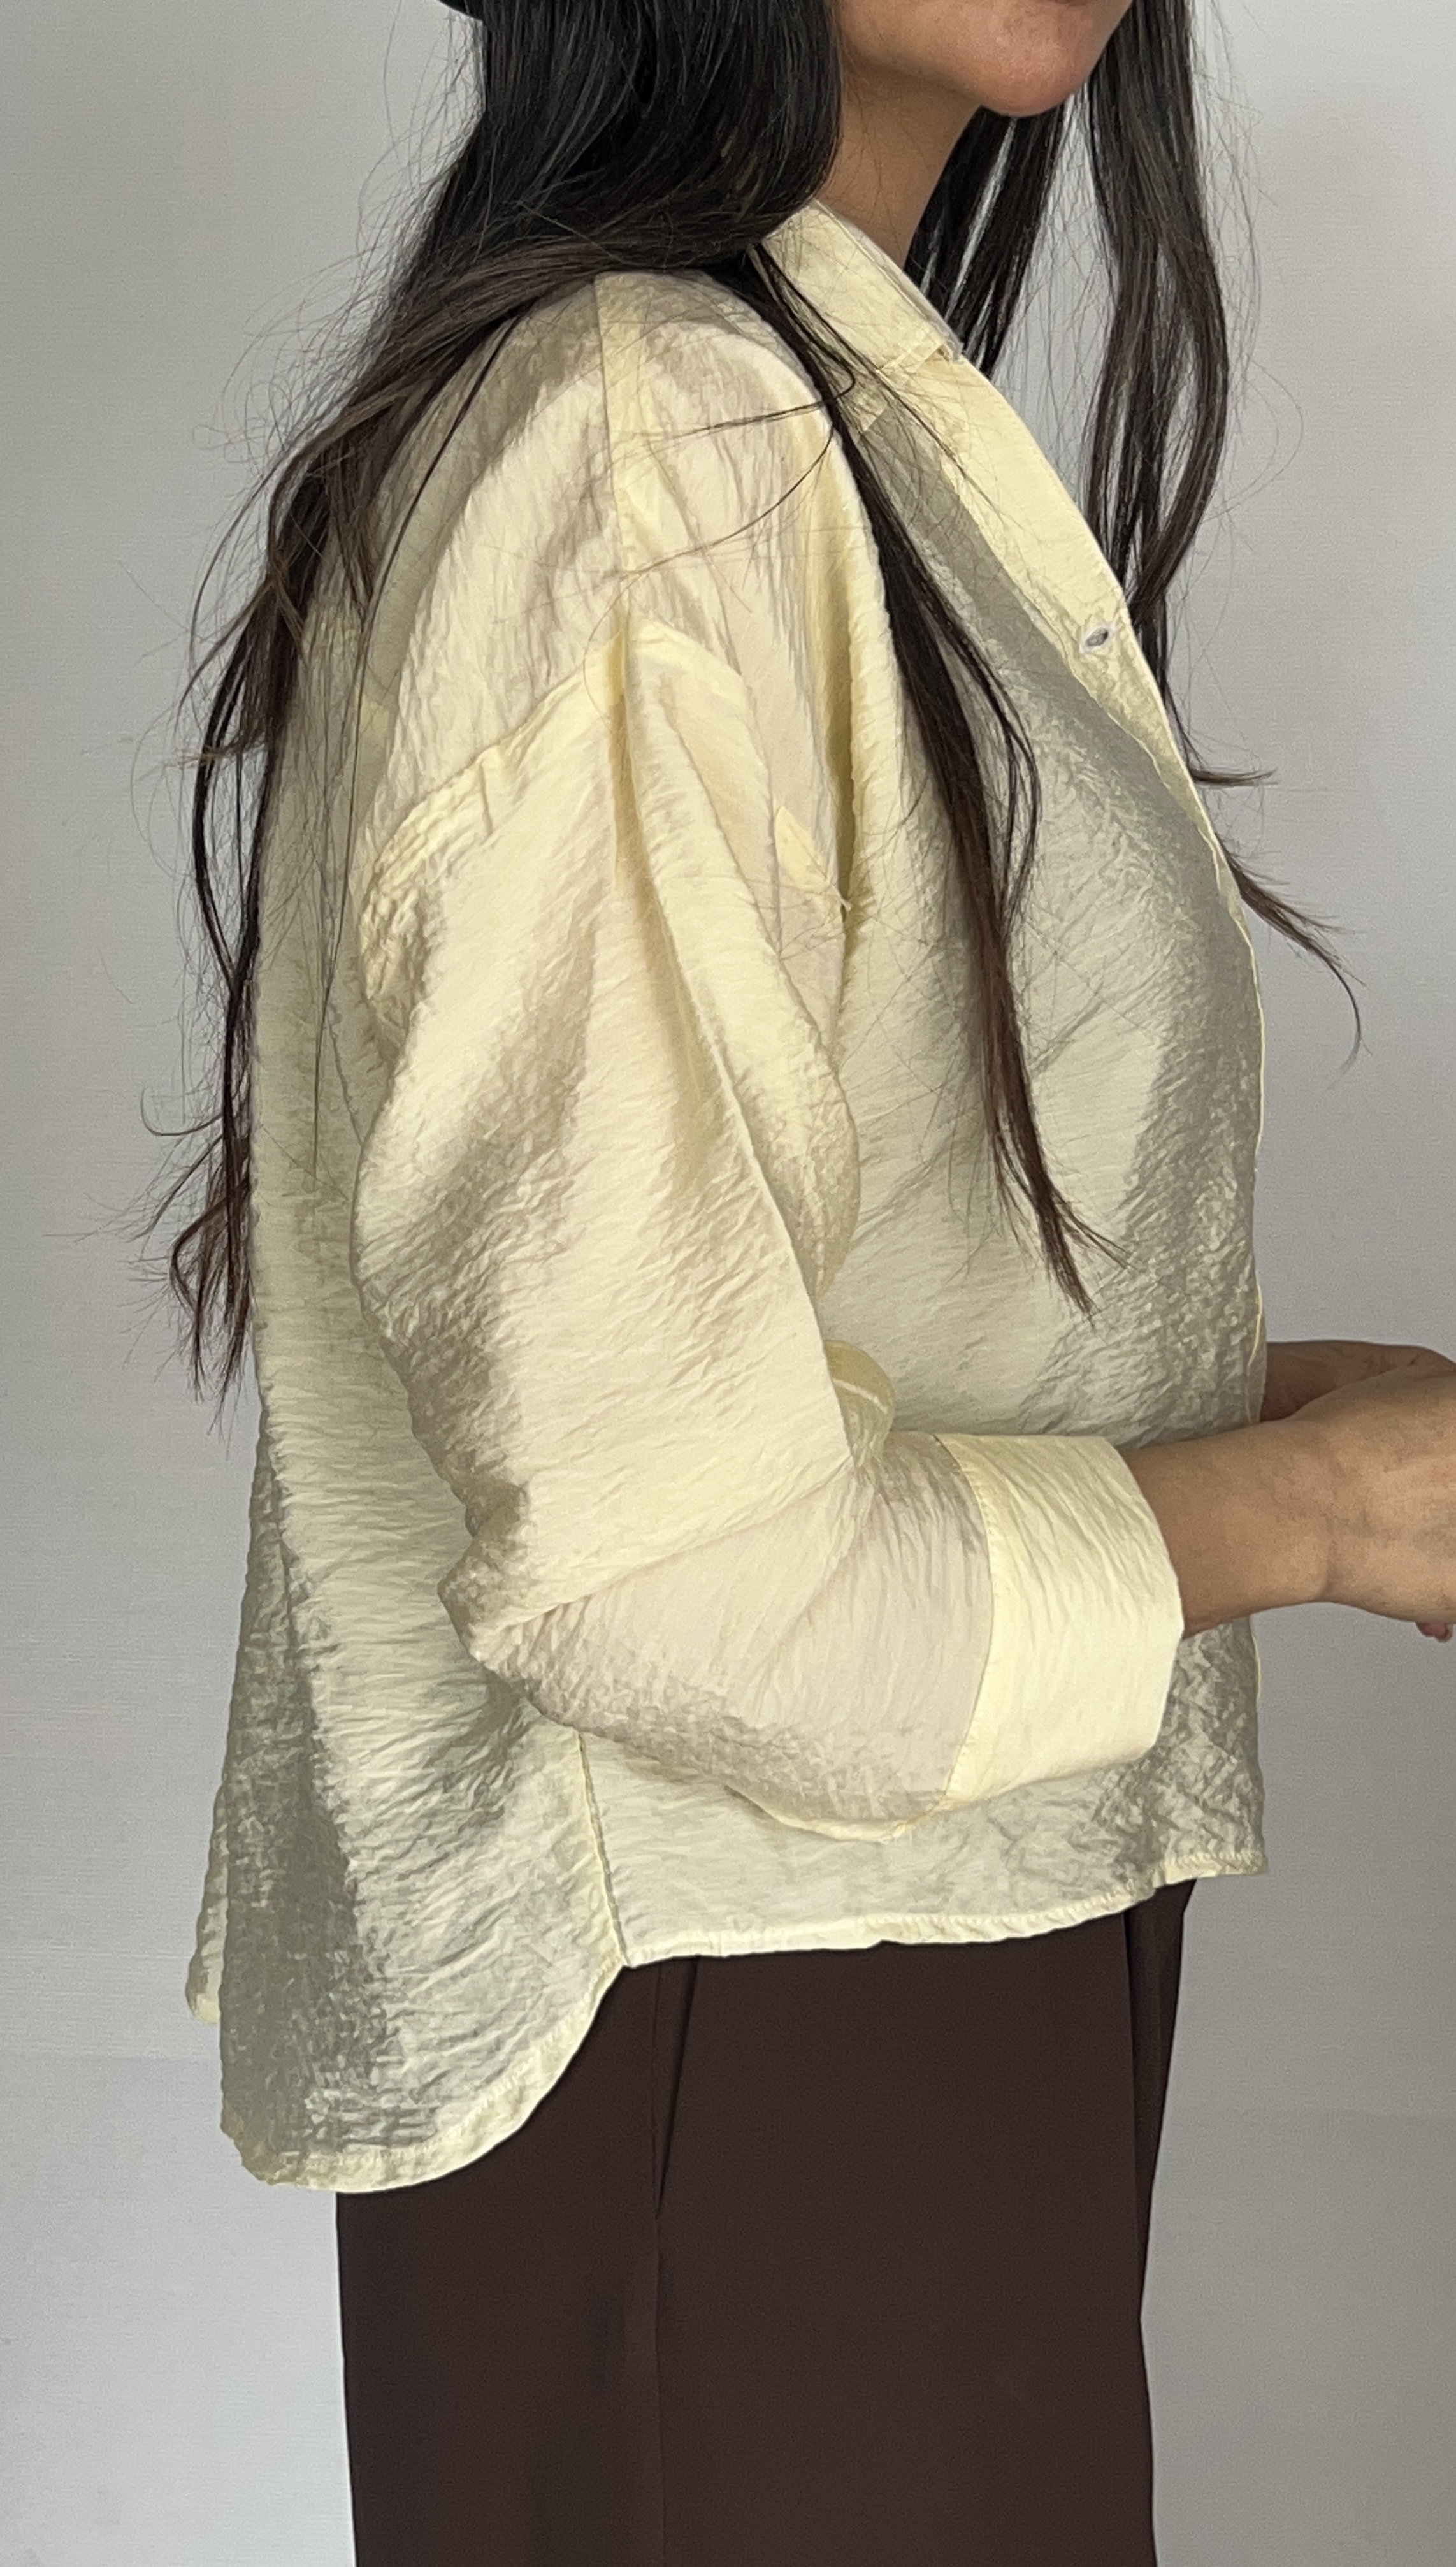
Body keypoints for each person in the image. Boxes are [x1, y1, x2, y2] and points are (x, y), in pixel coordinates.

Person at [152, 1, 1456, 2560]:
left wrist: (1299, 1415)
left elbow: (781, 1310)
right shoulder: (656, 436)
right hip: (747, 2024)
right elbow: (668, 1560)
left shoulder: (803, 408)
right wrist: (1321, 1513)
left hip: (876, 1990)